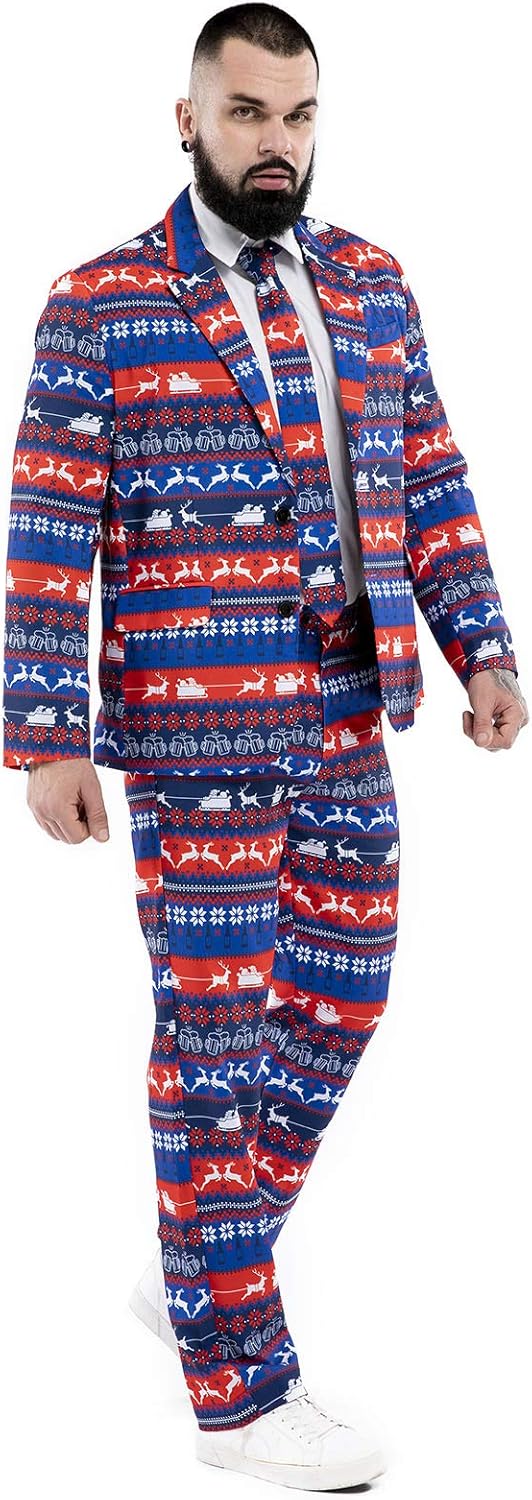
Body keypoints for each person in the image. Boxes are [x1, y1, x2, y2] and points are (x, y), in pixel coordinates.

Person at [2, 2, 528, 1488]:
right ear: (189, 121)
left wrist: (482, 644)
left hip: (352, 715)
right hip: (196, 734)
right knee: (212, 1044)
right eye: (246, 114)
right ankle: (238, 1388)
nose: (275, 142)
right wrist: (43, 734)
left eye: (297, 116)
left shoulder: (371, 283)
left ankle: (199, 1259)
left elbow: (430, 472)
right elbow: (47, 529)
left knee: (345, 999)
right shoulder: (101, 301)